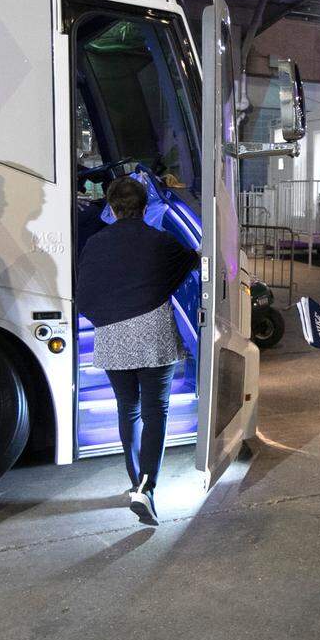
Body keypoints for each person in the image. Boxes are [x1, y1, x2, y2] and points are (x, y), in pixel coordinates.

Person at [77, 176, 199, 525]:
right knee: (155, 410)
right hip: (152, 331)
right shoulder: (160, 241)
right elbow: (188, 262)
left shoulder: (96, 244)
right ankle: (147, 486)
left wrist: (109, 318)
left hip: (112, 334)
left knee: (126, 409)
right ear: (145, 208)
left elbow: (85, 294)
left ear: (112, 209)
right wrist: (151, 294)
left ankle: (135, 482)